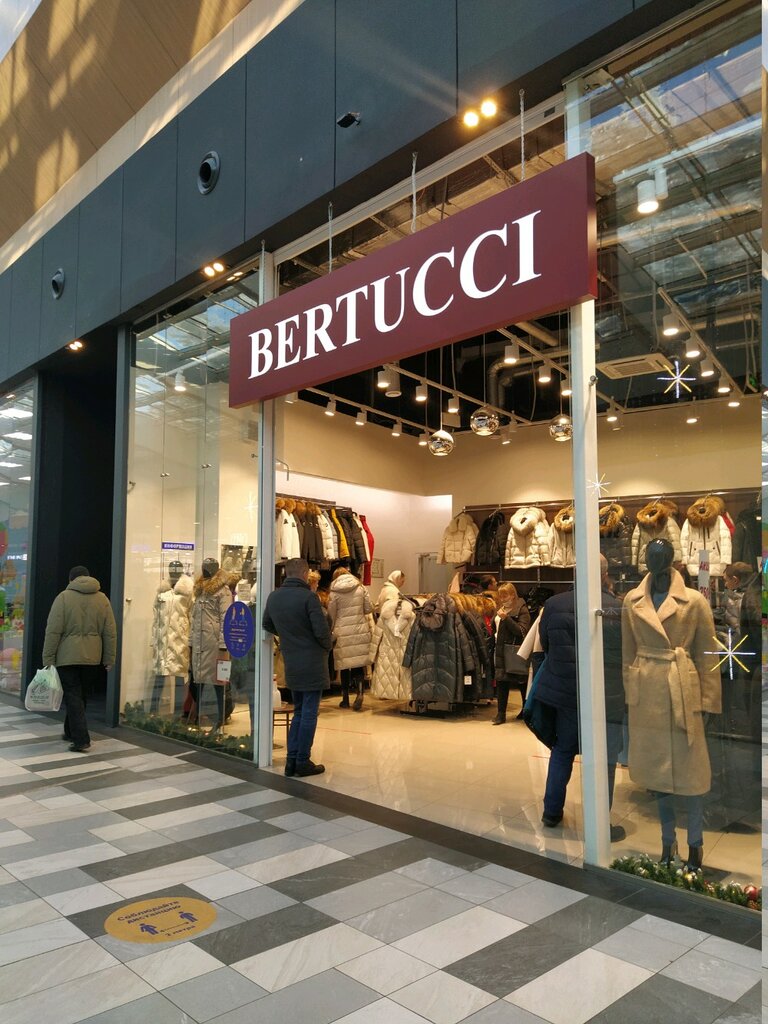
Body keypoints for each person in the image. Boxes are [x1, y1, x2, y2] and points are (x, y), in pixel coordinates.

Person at [536, 565, 626, 841]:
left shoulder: (553, 604)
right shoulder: (615, 607)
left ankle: (551, 811)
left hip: (565, 690)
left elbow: (546, 643)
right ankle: (600, 820)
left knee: (563, 750)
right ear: (604, 574)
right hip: (605, 693)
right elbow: (623, 651)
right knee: (605, 758)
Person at [262, 557, 332, 776]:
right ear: (304, 574)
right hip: (312, 661)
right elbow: (321, 631)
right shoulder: (309, 597)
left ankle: (292, 760)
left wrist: (288, 637)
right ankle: (302, 760)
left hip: (291, 660)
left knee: (299, 711)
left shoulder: (274, 597)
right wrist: (328, 645)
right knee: (309, 712)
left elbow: (266, 624)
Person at [42, 565, 117, 753]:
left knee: (73, 696)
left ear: (71, 580)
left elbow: (53, 631)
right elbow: (110, 632)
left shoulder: (63, 598)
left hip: (67, 657)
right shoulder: (102, 599)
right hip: (92, 657)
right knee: (80, 696)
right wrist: (109, 658)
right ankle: (70, 731)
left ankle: (81, 739)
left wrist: (48, 659)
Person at [328, 567, 372, 710]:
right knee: (359, 664)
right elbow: (368, 608)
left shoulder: (334, 592)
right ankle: (360, 693)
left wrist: (330, 629)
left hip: (342, 631)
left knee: (344, 666)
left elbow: (331, 615)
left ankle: (345, 699)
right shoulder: (361, 588)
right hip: (359, 629)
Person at [492, 583, 531, 724]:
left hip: (514, 651)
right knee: (501, 681)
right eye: (500, 596)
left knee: (521, 681)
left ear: (513, 595)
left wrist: (506, 618)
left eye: (505, 596)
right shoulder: (500, 609)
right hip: (499, 649)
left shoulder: (522, 610)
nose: (502, 599)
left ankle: (526, 710)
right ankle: (500, 714)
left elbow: (521, 631)